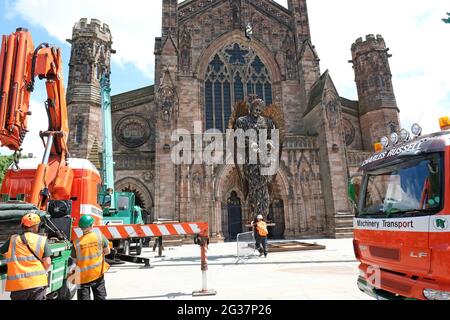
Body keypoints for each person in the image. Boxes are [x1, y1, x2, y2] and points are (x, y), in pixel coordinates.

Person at [0, 212, 52, 300]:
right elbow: (47, 262)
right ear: (36, 226)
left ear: (23, 226)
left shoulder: (13, 239)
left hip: (18, 286)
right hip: (37, 283)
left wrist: (9, 256)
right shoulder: (42, 240)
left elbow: (1, 251)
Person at [71, 215, 110, 300]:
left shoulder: (76, 242)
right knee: (100, 297)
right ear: (92, 225)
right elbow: (107, 251)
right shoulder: (99, 237)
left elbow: (75, 260)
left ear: (81, 228)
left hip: (82, 277)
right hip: (97, 274)